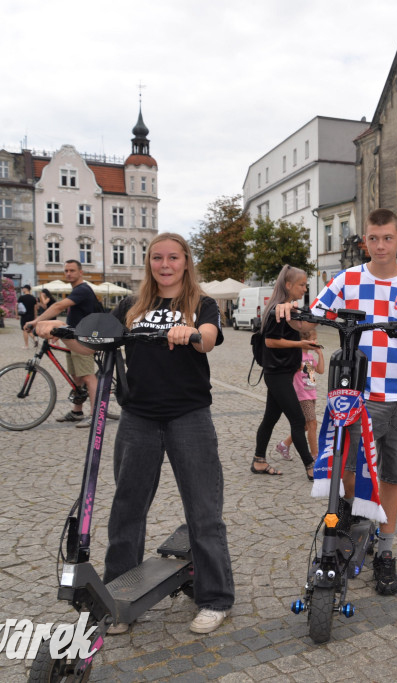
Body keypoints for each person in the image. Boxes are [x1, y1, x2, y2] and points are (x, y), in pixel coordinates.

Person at [35, 232, 235, 635]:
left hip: (189, 415)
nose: (165, 264)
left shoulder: (202, 303)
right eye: (157, 258)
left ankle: (215, 598)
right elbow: (96, 345)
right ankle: (115, 598)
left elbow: (209, 339)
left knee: (203, 510)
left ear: (185, 261)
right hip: (138, 417)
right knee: (126, 509)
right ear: (149, 262)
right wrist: (58, 330)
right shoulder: (131, 304)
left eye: (173, 258)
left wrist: (190, 333)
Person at [277, 208, 397, 596]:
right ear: (364, 241)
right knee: (349, 470)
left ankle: (385, 553)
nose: (381, 245)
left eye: (388, 238)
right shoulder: (348, 280)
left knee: (392, 476)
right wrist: (288, 312)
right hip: (361, 396)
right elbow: (310, 319)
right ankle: (358, 519)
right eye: (373, 238)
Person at [253, 266, 320, 478]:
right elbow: (270, 341)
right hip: (277, 374)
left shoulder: (288, 308)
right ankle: (311, 467)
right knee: (298, 421)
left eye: (305, 284)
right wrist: (300, 344)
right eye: (301, 284)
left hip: (284, 372)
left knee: (270, 419)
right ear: (289, 285)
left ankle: (259, 461)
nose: (304, 288)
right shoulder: (278, 310)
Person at [25, 260, 101, 427]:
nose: (68, 273)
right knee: (77, 377)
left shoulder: (82, 289)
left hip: (85, 339)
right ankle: (77, 412)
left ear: (81, 272)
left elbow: (58, 306)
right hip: (74, 336)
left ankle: (96, 415)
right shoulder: (76, 290)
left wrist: (36, 321)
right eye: (66, 270)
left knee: (88, 376)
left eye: (72, 270)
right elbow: (73, 316)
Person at [277, 327, 325, 466]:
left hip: (311, 394)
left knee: (303, 426)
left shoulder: (309, 357)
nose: (315, 341)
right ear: (304, 341)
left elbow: (321, 370)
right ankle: (315, 455)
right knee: (312, 424)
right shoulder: (298, 357)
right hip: (301, 395)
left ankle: (283, 445)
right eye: (313, 339)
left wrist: (319, 354)